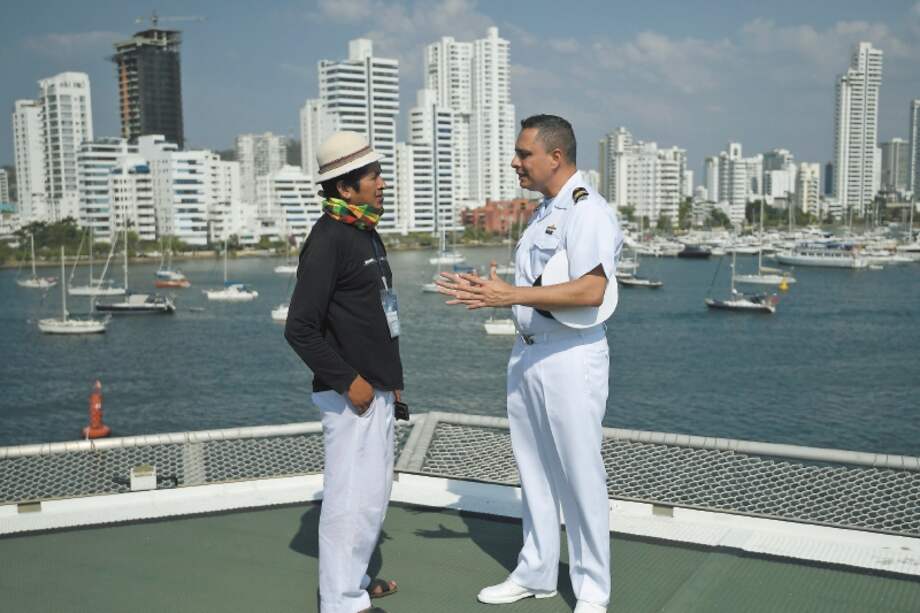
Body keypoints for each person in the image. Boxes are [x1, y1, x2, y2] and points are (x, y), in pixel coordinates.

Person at [437, 115, 622, 613]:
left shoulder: (588, 212)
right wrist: (495, 293)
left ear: (555, 157)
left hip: (570, 355)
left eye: (524, 154)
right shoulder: (546, 212)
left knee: (581, 474)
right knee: (534, 472)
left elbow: (592, 288)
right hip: (529, 352)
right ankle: (537, 572)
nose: (515, 163)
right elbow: (539, 284)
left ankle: (592, 592)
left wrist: (511, 294)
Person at [285, 131, 403, 613]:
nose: (381, 183)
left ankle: (353, 583)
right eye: (373, 176)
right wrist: (348, 381)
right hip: (352, 395)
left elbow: (374, 315)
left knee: (371, 497)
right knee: (348, 501)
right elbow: (300, 328)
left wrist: (391, 382)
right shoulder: (328, 240)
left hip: (376, 390)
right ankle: (340, 602)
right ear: (345, 188)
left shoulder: (362, 231)